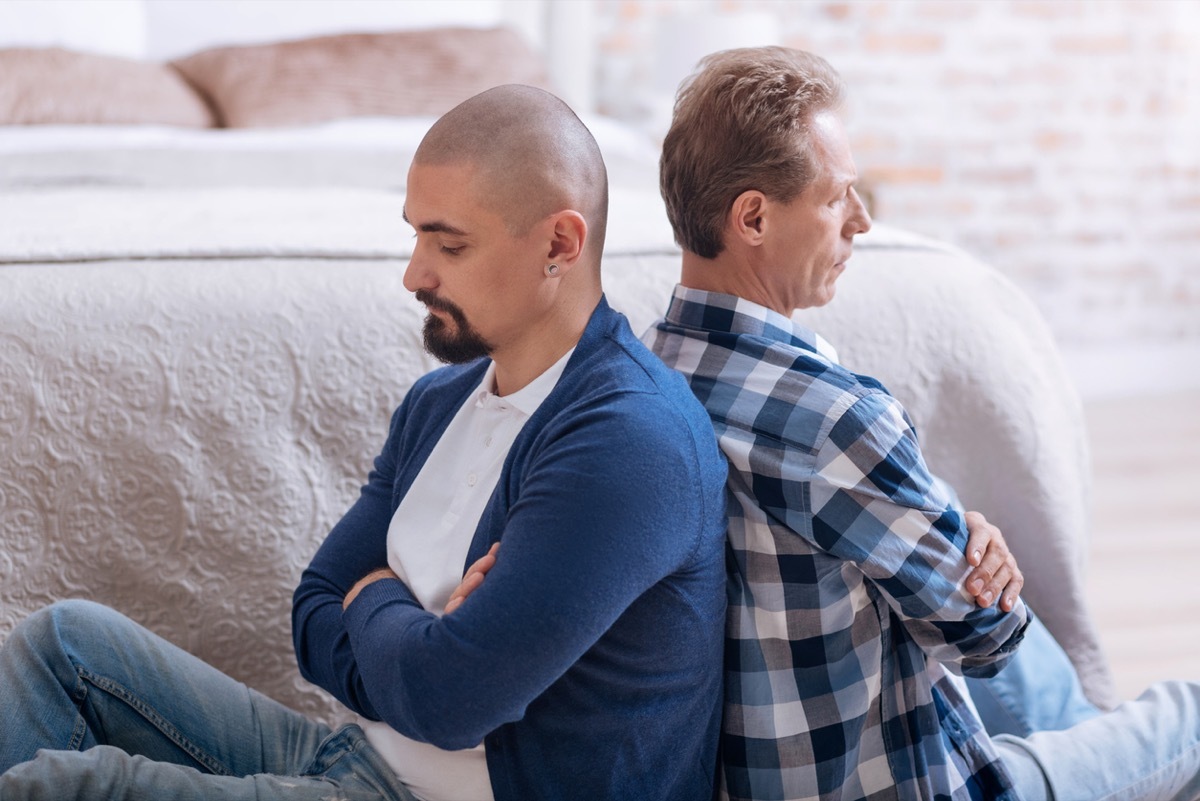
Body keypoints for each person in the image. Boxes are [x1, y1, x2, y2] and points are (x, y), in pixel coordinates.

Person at [0, 84, 729, 801]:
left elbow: (451, 701)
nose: (414, 275)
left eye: (449, 243)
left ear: (559, 244)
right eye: (415, 235)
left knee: (60, 787)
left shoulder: (628, 438)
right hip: (354, 758)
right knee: (62, 643)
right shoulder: (439, 403)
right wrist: (422, 645)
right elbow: (315, 610)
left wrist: (375, 594)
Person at [645, 46, 1200, 801]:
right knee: (1188, 714)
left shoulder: (642, 374)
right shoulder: (834, 420)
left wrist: (930, 522)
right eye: (837, 197)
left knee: (1054, 700)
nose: (863, 221)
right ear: (753, 217)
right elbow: (987, 637)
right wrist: (973, 544)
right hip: (923, 783)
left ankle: (1086, 736)